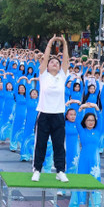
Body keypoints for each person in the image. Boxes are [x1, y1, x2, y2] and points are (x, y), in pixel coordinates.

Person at [32, 35, 70, 183]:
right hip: (44, 114)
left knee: (59, 145)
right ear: (46, 66)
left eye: (57, 62)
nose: (54, 63)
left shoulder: (62, 76)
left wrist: (64, 43)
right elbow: (45, 57)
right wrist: (50, 43)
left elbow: (66, 59)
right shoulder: (43, 75)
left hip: (58, 115)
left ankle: (60, 170)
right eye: (51, 62)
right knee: (41, 144)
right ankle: (37, 170)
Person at [70, 103, 103, 207]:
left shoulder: (98, 130)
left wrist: (96, 108)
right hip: (83, 160)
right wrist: (81, 108)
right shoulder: (82, 130)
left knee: (95, 182)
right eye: (88, 120)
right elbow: (77, 120)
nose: (91, 122)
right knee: (79, 181)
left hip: (95, 161)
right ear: (85, 121)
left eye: (93, 120)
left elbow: (101, 118)